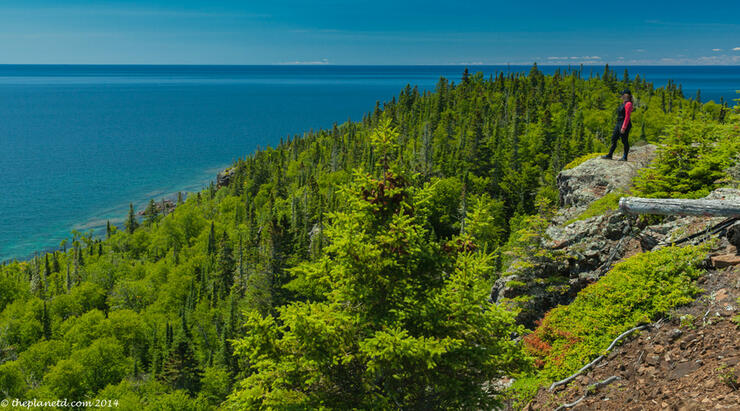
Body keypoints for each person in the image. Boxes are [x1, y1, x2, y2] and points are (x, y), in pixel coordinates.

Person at [601, 89, 633, 161]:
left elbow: (627, 116)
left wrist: (624, 127)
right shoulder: (624, 103)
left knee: (624, 141)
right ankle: (610, 155)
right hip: (619, 124)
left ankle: (625, 157)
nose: (621, 95)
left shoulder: (628, 104)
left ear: (626, 95)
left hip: (625, 124)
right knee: (614, 138)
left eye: (623, 94)